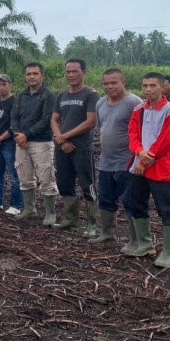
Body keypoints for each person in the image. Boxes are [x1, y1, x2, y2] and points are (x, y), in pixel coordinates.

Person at [125, 72, 170, 268]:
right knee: (137, 204)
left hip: (160, 169)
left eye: (153, 86)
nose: (148, 90)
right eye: (145, 86)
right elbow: (132, 133)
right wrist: (139, 152)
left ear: (162, 86)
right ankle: (145, 244)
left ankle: (168, 252)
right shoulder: (139, 109)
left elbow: (165, 141)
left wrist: (145, 161)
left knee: (165, 209)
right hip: (138, 166)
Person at [92, 68, 143, 245]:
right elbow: (102, 126)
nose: (109, 86)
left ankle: (136, 240)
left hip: (127, 162)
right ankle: (107, 234)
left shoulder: (134, 103)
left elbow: (142, 131)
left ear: (123, 83)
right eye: (106, 83)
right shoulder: (100, 103)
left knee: (130, 201)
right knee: (106, 199)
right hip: (106, 161)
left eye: (114, 83)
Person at [51, 59, 99, 235]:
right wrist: (61, 140)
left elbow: (90, 121)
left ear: (83, 72)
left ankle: (92, 224)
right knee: (64, 182)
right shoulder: (62, 95)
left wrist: (66, 136)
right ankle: (70, 219)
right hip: (62, 147)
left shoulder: (91, 94)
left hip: (81, 147)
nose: (71, 75)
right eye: (68, 72)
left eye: (75, 71)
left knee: (88, 183)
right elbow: (54, 119)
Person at [10, 62, 58, 222]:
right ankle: (29, 208)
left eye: (35, 73)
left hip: (41, 142)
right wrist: (18, 135)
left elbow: (46, 119)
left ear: (41, 75)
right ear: (25, 76)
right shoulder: (21, 95)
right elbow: (14, 116)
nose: (31, 76)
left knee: (46, 177)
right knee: (24, 175)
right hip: (21, 143)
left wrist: (27, 135)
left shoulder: (48, 95)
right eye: (29, 74)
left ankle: (50, 213)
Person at [0, 74, 22, 214]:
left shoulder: (15, 102)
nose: (1, 87)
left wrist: (0, 138)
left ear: (10, 84)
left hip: (9, 143)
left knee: (14, 175)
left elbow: (14, 125)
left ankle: (16, 205)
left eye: (4, 84)